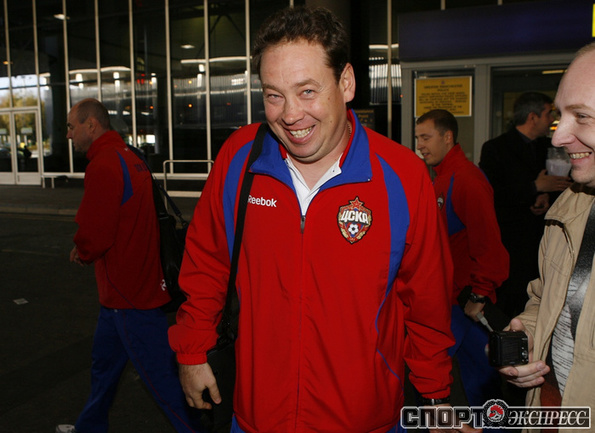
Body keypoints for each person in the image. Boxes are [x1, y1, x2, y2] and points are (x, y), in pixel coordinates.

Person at [169, 6, 478, 433]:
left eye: (307, 91)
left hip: (365, 421)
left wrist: (437, 397)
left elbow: (427, 304)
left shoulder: (402, 177)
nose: (290, 114)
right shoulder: (240, 160)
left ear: (346, 83)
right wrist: (191, 351)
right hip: (258, 418)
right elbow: (207, 261)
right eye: (274, 95)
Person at [56, 98, 203, 433]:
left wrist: (82, 251)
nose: (69, 134)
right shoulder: (130, 156)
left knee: (161, 378)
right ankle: (89, 427)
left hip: (128, 295)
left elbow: (96, 233)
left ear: (91, 124)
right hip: (131, 289)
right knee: (104, 369)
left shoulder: (104, 164)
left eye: (72, 126)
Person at [499, 42, 595, 414]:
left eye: (582, 116)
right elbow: (547, 301)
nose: (557, 137)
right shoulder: (568, 211)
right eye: (560, 114)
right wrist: (527, 335)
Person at [416, 109, 509, 407]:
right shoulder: (442, 179)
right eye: (417, 138)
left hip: (467, 304)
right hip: (451, 301)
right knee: (467, 385)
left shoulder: (467, 179)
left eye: (426, 137)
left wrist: (480, 294)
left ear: (448, 137)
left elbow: (488, 244)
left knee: (481, 385)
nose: (420, 145)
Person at [479, 92, 573, 319]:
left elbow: (560, 184)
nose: (552, 119)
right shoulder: (496, 148)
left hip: (543, 246)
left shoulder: (549, 147)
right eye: (548, 113)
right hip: (510, 247)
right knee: (506, 311)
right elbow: (492, 195)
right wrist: (534, 187)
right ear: (533, 117)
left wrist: (545, 195)